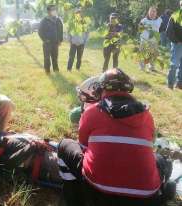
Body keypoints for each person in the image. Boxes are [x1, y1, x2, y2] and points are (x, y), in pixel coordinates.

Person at [58, 68, 175, 206]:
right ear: (127, 91)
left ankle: (74, 199)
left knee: (64, 145)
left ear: (101, 90)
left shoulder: (92, 112)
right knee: (159, 159)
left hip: (98, 192)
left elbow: (84, 149)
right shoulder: (147, 116)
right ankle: (164, 191)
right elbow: (147, 146)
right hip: (146, 199)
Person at [38, 5, 63, 74]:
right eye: (52, 10)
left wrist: (60, 40)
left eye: (55, 10)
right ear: (48, 11)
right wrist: (45, 39)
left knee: (55, 57)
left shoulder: (58, 20)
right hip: (47, 43)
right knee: (47, 58)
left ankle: (56, 70)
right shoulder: (44, 20)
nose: (54, 11)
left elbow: (60, 30)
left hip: (55, 42)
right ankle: (47, 71)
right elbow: (40, 31)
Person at [139, 6, 162, 71]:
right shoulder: (144, 20)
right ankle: (142, 67)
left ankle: (152, 67)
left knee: (153, 54)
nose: (152, 13)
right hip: (144, 40)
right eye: (151, 11)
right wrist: (145, 27)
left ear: (156, 12)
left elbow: (161, 29)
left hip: (154, 40)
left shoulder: (160, 20)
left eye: (154, 11)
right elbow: (140, 29)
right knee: (142, 53)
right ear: (148, 12)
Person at [167, 1, 182, 90]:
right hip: (177, 44)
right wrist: (177, 41)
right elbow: (169, 31)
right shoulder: (175, 16)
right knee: (174, 64)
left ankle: (180, 84)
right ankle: (170, 84)